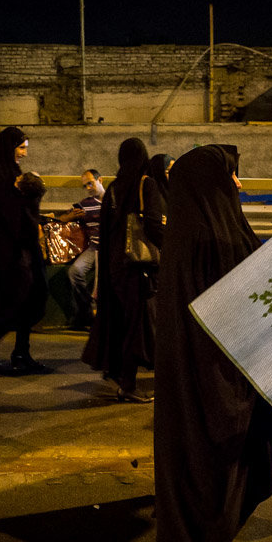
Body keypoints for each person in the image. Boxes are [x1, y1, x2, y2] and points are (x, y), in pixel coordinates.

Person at [154, 144, 272, 542]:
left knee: (193, 440)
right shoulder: (218, 235)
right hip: (222, 365)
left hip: (192, 366)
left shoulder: (185, 232)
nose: (239, 184)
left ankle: (200, 516)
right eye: (231, 175)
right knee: (219, 443)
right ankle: (210, 523)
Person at [82, 137, 165, 402]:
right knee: (137, 327)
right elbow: (153, 224)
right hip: (139, 267)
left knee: (122, 322)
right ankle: (128, 386)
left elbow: (106, 230)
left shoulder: (115, 188)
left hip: (116, 268)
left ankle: (118, 373)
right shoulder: (146, 184)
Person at [0, 127, 50, 374]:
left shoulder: (12, 173)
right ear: (9, 148)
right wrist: (33, 191)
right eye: (21, 148)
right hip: (11, 253)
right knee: (14, 300)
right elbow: (12, 217)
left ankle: (21, 351)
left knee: (31, 299)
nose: (25, 154)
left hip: (24, 250)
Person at [56, 169, 105, 330]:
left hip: (109, 248)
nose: (89, 187)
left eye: (91, 183)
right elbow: (62, 218)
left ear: (100, 180)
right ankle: (86, 311)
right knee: (75, 272)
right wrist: (70, 217)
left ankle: (96, 316)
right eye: (85, 185)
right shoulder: (85, 204)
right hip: (94, 247)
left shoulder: (113, 199)